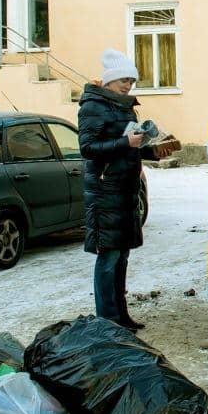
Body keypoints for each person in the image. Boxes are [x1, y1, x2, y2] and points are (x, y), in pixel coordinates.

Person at [78, 48, 173, 331]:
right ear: (109, 80)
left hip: (125, 190)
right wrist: (126, 144)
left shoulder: (123, 106)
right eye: (124, 80)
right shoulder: (93, 106)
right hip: (106, 191)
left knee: (121, 257)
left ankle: (121, 315)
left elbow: (126, 145)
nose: (128, 85)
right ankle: (108, 320)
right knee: (108, 257)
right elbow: (88, 148)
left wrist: (151, 149)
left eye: (131, 81)